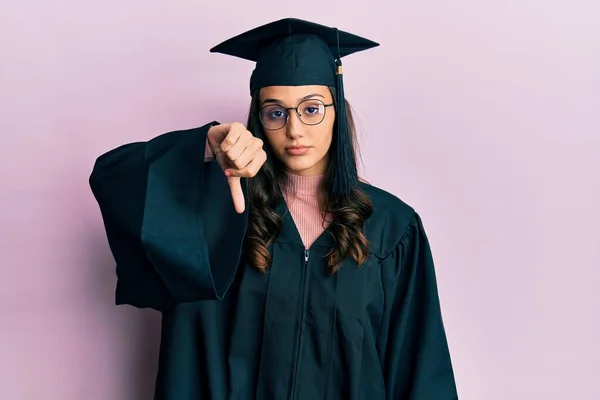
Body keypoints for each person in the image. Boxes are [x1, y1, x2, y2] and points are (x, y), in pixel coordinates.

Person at [89, 18, 458, 400]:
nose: (295, 129)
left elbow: (420, 367)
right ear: (259, 120)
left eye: (311, 109)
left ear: (337, 111)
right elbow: (113, 181)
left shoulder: (391, 227)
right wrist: (204, 145)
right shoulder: (217, 212)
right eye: (276, 112)